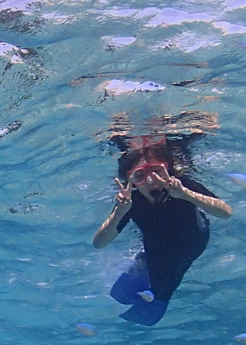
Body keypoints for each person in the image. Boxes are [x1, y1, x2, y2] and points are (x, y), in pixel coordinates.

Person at [91, 132, 232, 325]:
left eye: (157, 171)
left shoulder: (183, 186)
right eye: (140, 175)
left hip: (189, 243)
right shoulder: (131, 201)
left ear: (168, 171)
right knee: (137, 275)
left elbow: (226, 212)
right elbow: (99, 243)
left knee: (163, 286)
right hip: (156, 241)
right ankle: (145, 261)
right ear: (131, 180)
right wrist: (119, 212)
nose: (151, 180)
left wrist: (186, 195)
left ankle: (159, 295)